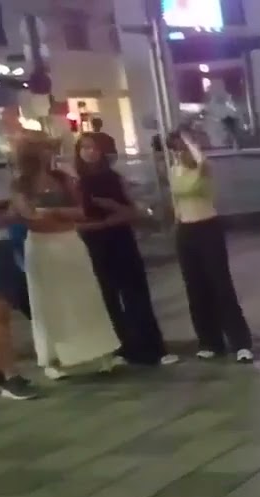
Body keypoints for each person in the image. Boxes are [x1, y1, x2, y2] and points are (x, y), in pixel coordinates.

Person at [7, 131, 120, 380]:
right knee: (47, 303)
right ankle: (52, 358)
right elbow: (29, 215)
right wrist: (52, 214)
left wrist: (56, 211)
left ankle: (101, 351)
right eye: (45, 149)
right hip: (41, 246)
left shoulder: (63, 178)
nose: (50, 153)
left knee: (85, 297)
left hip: (69, 242)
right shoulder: (20, 184)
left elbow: (81, 211)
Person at [76, 134, 178, 367]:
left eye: (93, 148)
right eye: (84, 148)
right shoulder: (78, 183)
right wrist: (104, 222)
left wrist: (116, 210)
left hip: (121, 240)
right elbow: (76, 219)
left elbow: (134, 211)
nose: (89, 152)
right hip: (95, 242)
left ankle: (153, 348)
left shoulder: (114, 178)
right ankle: (121, 348)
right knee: (107, 296)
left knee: (135, 294)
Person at [167, 131, 255, 363]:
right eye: (175, 149)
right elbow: (176, 202)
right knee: (195, 287)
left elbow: (202, 161)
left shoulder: (203, 169)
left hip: (207, 228)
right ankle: (209, 340)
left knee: (220, 285)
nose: (179, 152)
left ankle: (240, 343)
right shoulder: (175, 170)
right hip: (185, 230)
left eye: (182, 147)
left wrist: (189, 141)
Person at [0, 203, 37, 399]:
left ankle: (3, 373)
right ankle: (10, 376)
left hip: (2, 244)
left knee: (2, 316)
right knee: (0, 315)